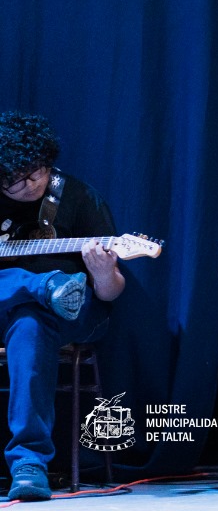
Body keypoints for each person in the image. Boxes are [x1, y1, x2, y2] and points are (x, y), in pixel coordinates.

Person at [0, 112, 126, 501]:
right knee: (26, 301)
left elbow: (111, 294)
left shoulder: (78, 197)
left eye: (37, 172)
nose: (31, 184)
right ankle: (45, 285)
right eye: (17, 180)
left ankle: (29, 464)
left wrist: (103, 272)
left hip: (69, 317)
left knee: (30, 324)